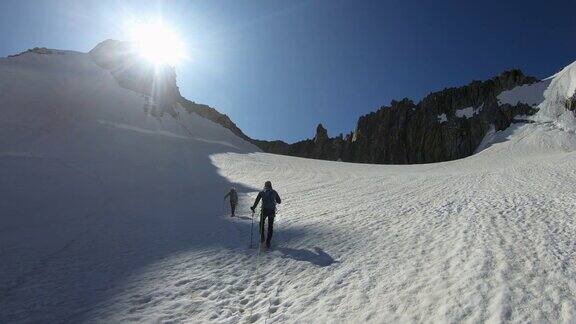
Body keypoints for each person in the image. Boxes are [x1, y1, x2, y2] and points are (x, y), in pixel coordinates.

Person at [251, 181, 281, 248]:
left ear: (265, 185)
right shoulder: (274, 192)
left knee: (261, 224)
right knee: (270, 227)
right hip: (272, 211)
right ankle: (268, 242)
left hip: (264, 210)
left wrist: (253, 208)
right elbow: (279, 201)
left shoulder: (262, 192)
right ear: (271, 185)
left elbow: (257, 201)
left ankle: (262, 239)